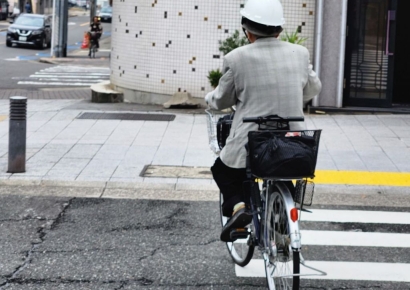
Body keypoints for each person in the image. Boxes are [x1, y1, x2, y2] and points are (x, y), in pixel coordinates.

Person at [205, 0, 322, 242]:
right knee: (281, 171)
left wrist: (210, 98)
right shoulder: (299, 53)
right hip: (293, 141)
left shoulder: (236, 58)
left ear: (247, 30)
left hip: (250, 140)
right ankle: (283, 226)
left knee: (223, 170)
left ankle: (239, 208)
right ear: (279, 29)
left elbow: (221, 99)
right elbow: (313, 88)